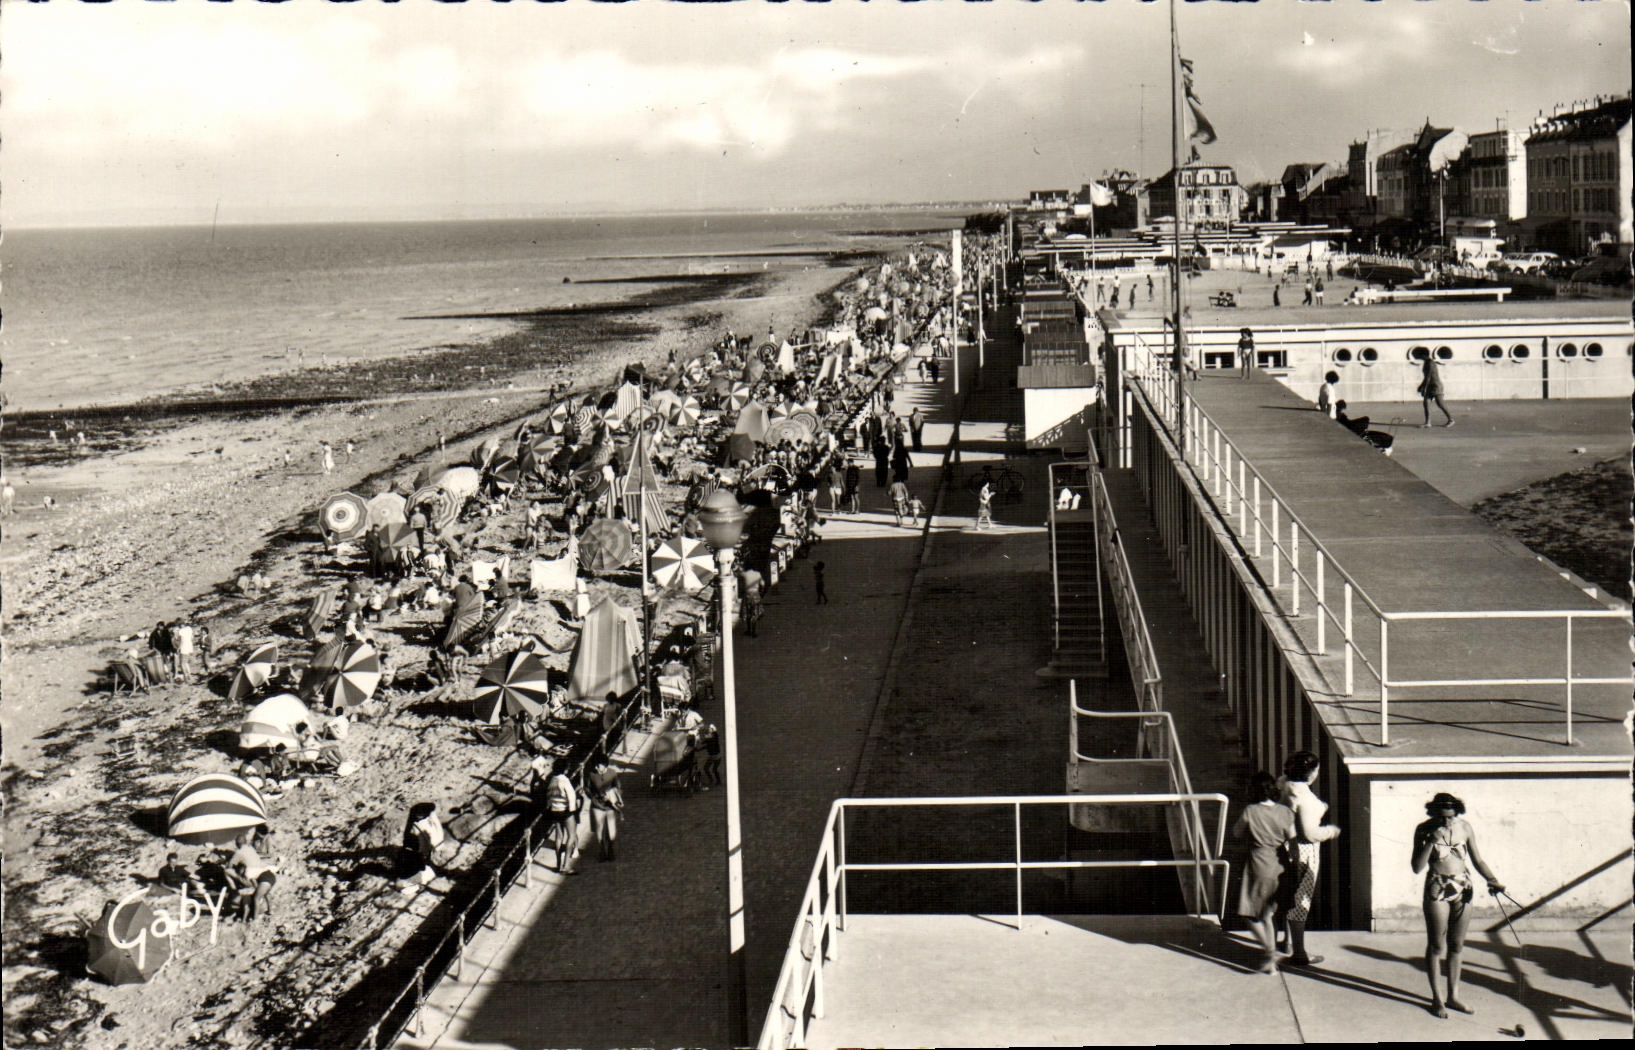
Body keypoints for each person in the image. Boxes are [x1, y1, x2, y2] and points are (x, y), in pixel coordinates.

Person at [1412, 793, 1504, 1019]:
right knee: (1436, 946)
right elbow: (1416, 866)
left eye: (1451, 817)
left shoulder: (1465, 827)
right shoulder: (1423, 829)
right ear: (1434, 814)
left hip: (1463, 885)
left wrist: (1493, 880)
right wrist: (1431, 841)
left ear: (1457, 814)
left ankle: (1453, 996)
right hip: (1438, 885)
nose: (1447, 822)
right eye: (1442, 818)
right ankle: (1437, 999)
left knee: (1456, 944)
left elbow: (1477, 860)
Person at [1277, 751, 1341, 968]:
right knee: (1301, 900)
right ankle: (1299, 952)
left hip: (1282, 846)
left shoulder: (1284, 785)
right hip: (1303, 851)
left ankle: (1286, 941)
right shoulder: (1307, 799)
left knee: (1287, 894)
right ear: (1312, 772)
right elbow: (1310, 833)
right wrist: (1331, 831)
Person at [1234, 772, 1296, 974]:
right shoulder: (1285, 812)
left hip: (1258, 864)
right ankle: (1271, 963)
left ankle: (1270, 951)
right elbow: (1293, 840)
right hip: (1280, 864)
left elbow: (1236, 832)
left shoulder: (1250, 811)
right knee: (1270, 913)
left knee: (1251, 915)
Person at [545, 763, 581, 874]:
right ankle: (566, 866)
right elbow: (571, 797)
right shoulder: (565, 781)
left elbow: (548, 797)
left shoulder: (552, 780)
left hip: (555, 810)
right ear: (565, 770)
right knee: (571, 836)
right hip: (566, 811)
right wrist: (573, 811)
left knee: (559, 837)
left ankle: (558, 865)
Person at [1417, 355, 1454, 428]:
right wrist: (1421, 386)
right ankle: (1428, 422)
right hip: (1430, 386)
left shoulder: (1430, 363)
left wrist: (1424, 388)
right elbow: (1426, 377)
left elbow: (1428, 376)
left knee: (1440, 403)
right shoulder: (1426, 362)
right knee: (1426, 403)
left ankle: (1451, 419)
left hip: (1436, 385)